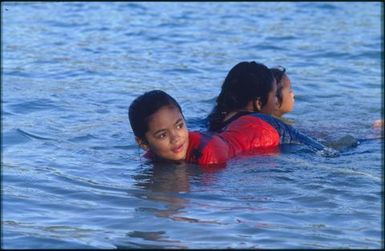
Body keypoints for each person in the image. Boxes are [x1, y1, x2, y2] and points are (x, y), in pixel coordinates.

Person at [206, 61, 337, 155]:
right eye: (273, 95)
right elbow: (322, 151)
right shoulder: (265, 121)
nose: (275, 101)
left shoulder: (213, 119)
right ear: (259, 102)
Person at [128, 90, 283, 167]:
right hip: (239, 127)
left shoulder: (208, 156)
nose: (176, 138)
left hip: (263, 133)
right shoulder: (152, 155)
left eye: (179, 125)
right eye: (162, 135)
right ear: (143, 143)